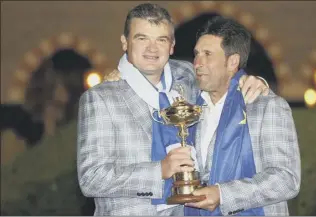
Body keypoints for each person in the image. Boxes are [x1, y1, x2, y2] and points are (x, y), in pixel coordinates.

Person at [77, 3, 269, 216]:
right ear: (125, 42)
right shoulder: (100, 98)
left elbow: (221, 77)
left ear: (172, 45)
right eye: (142, 38)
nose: (152, 49)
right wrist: (159, 170)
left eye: (161, 39)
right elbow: (91, 179)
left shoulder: (186, 74)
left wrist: (252, 81)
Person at [182, 16, 301, 216]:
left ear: (232, 62)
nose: (197, 63)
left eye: (207, 54)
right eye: (196, 54)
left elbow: (286, 179)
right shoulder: (190, 107)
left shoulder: (267, 107)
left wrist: (223, 194)